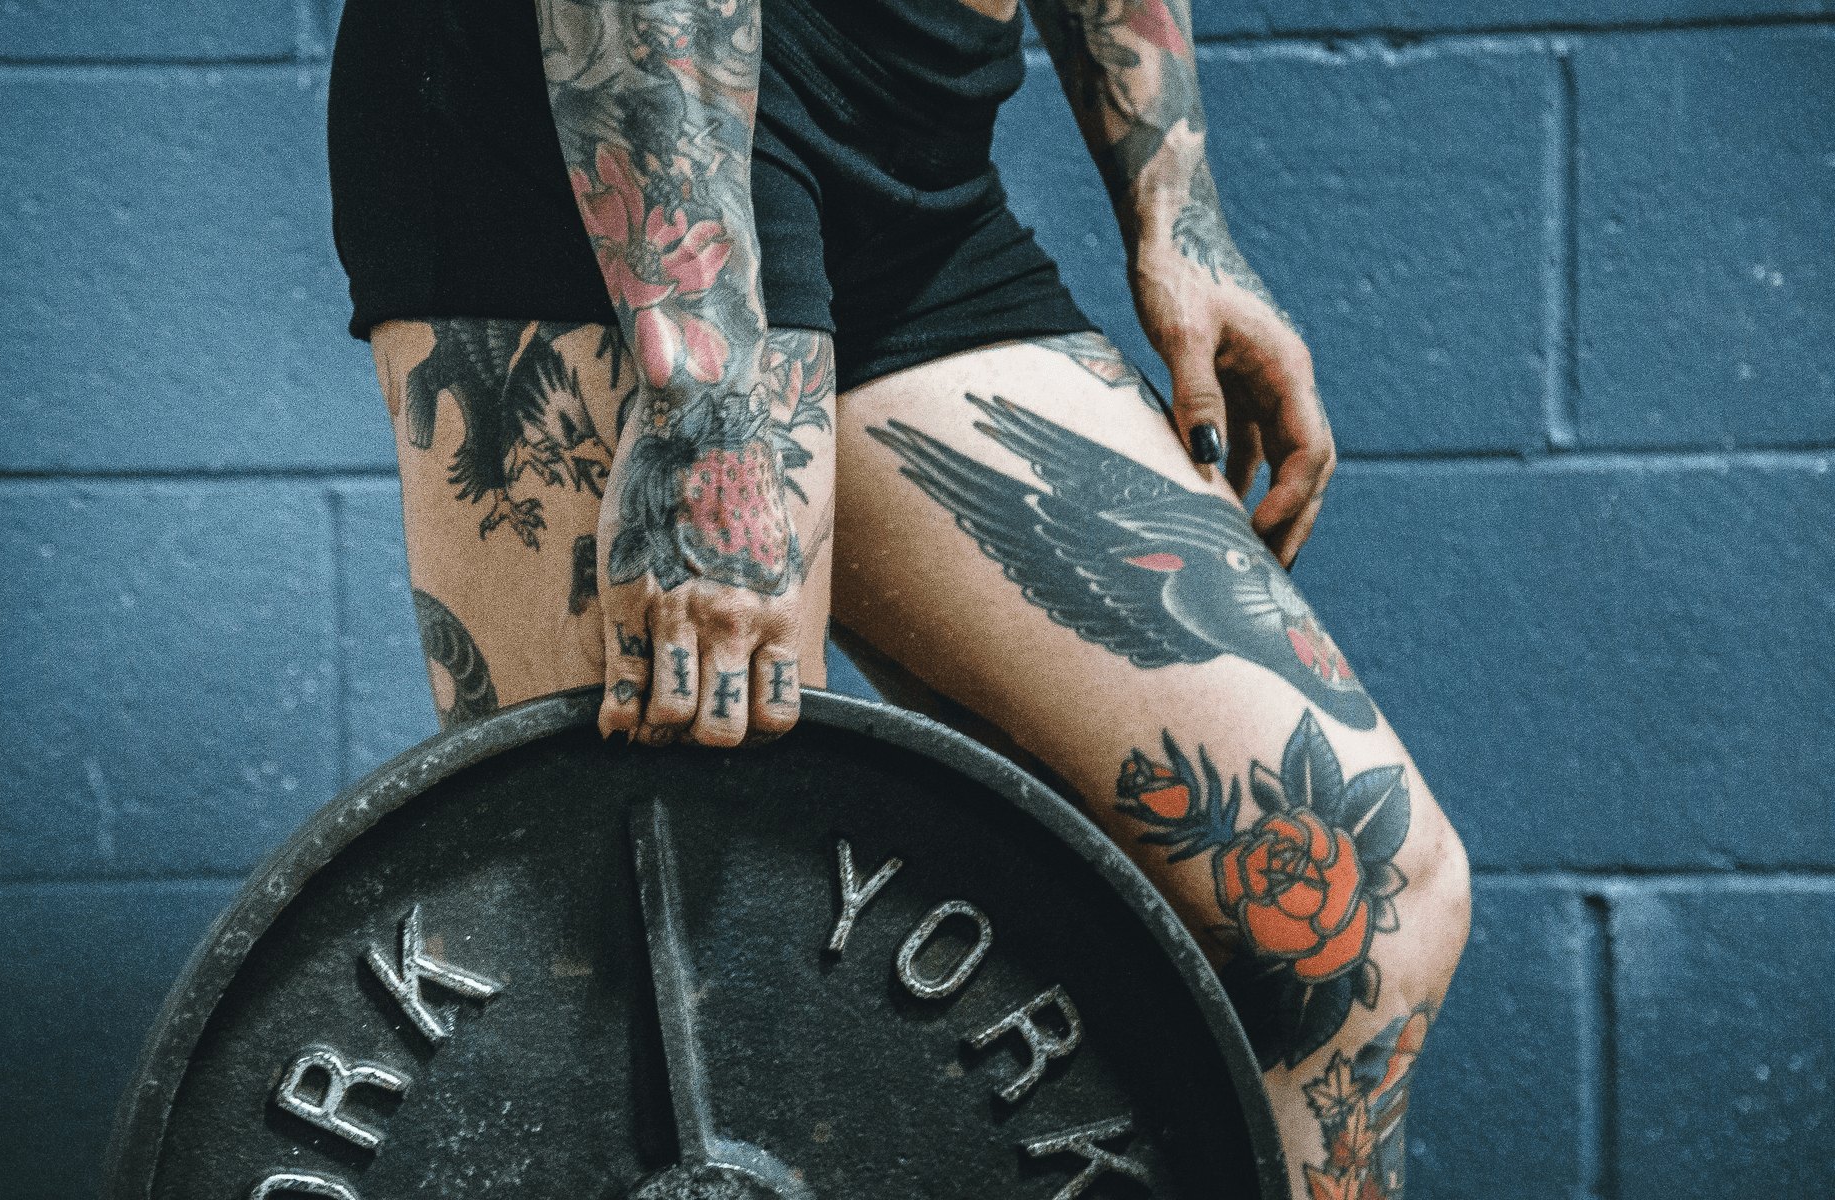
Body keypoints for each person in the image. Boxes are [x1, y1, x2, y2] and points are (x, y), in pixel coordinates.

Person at [329, 0, 1471, 1195]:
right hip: (626, 120)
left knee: (1367, 910)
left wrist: (1177, 217)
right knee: (658, 1025)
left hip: (909, 127)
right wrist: (710, 409)